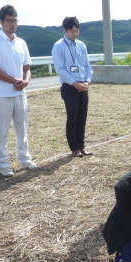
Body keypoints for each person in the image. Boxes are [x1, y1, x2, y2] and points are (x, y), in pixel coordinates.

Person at [0, 4, 37, 177]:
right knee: (2, 132)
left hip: (20, 93)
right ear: (1, 21)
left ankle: (25, 159)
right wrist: (13, 80)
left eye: (15, 20)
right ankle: (3, 164)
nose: (13, 24)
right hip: (2, 95)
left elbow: (27, 68)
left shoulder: (21, 43)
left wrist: (25, 81)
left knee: (23, 129)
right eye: (9, 20)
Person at [51, 16, 94, 158]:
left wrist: (87, 80)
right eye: (72, 31)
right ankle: (74, 147)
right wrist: (74, 83)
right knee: (73, 117)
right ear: (65, 30)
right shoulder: (59, 46)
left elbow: (87, 66)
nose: (75, 34)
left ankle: (81, 146)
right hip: (69, 86)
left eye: (77, 31)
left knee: (82, 117)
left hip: (83, 84)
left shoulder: (82, 45)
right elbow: (60, 69)